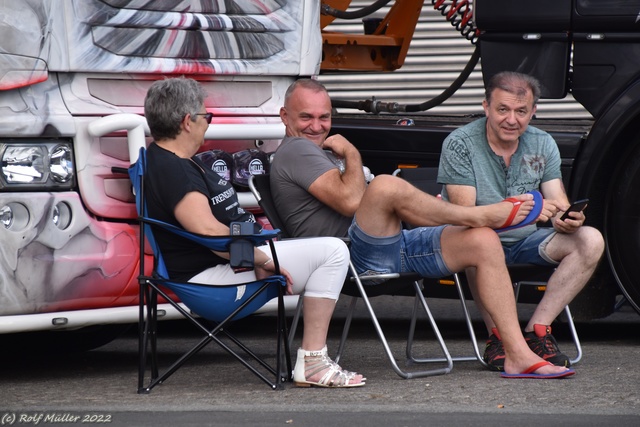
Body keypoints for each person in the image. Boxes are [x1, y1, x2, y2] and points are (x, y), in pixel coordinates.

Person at [270, 78, 574, 379]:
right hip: (347, 257)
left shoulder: (317, 152)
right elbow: (352, 201)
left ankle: (517, 353)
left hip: (389, 244)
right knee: (385, 185)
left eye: (324, 117)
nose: (317, 126)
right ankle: (481, 214)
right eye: (306, 117)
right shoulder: (295, 149)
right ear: (285, 117)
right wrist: (350, 152)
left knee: (482, 241)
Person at [142, 77, 365, 388]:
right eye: (207, 116)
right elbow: (208, 232)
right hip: (212, 280)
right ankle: (313, 360)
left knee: (324, 251)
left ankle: (313, 359)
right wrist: (263, 261)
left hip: (224, 267)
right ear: (187, 122)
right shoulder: (174, 170)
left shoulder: (167, 161)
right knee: (333, 251)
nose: (208, 122)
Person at [438, 71, 605, 370]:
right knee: (481, 241)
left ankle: (537, 331)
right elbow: (467, 217)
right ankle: (499, 337)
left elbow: (557, 201)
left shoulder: (542, 143)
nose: (511, 120)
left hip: (526, 240)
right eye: (502, 109)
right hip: (474, 240)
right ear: (486, 106)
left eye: (521, 111)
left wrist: (567, 219)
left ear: (533, 112)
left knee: (590, 239)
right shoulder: (460, 143)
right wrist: (524, 212)